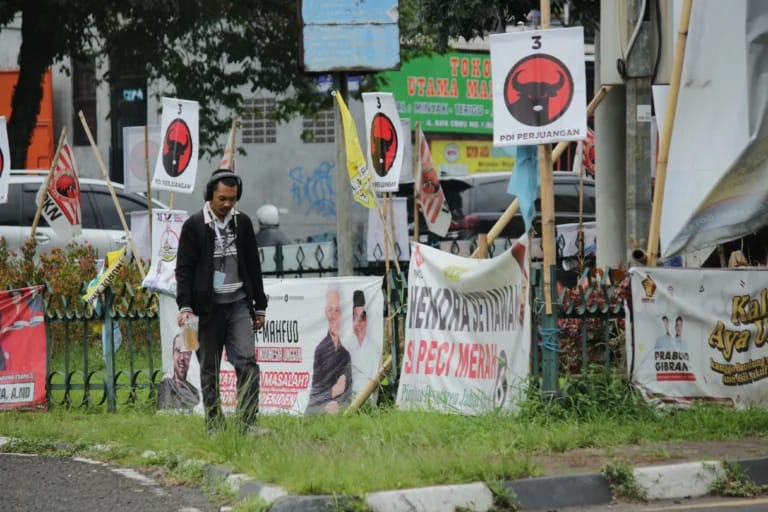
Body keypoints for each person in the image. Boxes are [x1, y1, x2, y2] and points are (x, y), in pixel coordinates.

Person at [175, 168, 268, 435]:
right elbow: (184, 270)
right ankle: (215, 425)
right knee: (209, 369)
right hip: (206, 310)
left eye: (232, 199)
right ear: (209, 196)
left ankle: (247, 423)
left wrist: (259, 306)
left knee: (247, 364)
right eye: (222, 199)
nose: (227, 205)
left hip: (238, 303)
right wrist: (185, 306)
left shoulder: (243, 223)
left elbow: (253, 266)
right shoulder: (194, 226)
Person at [305, 286, 352, 415]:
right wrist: (330, 396)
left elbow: (349, 388)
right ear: (325, 312)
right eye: (330, 310)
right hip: (322, 402)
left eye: (337, 310)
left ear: (342, 313)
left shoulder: (346, 353)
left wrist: (344, 379)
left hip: (341, 402)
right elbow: (316, 390)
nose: (333, 315)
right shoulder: (320, 350)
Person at [345, 290, 379, 400]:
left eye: (362, 318)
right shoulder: (347, 347)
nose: (358, 323)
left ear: (368, 320)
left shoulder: (375, 348)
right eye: (354, 318)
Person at [157, 333, 200, 411]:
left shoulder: (195, 391)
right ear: (173, 354)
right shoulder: (167, 384)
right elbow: (164, 413)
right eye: (178, 351)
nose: (182, 358)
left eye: (186, 352)